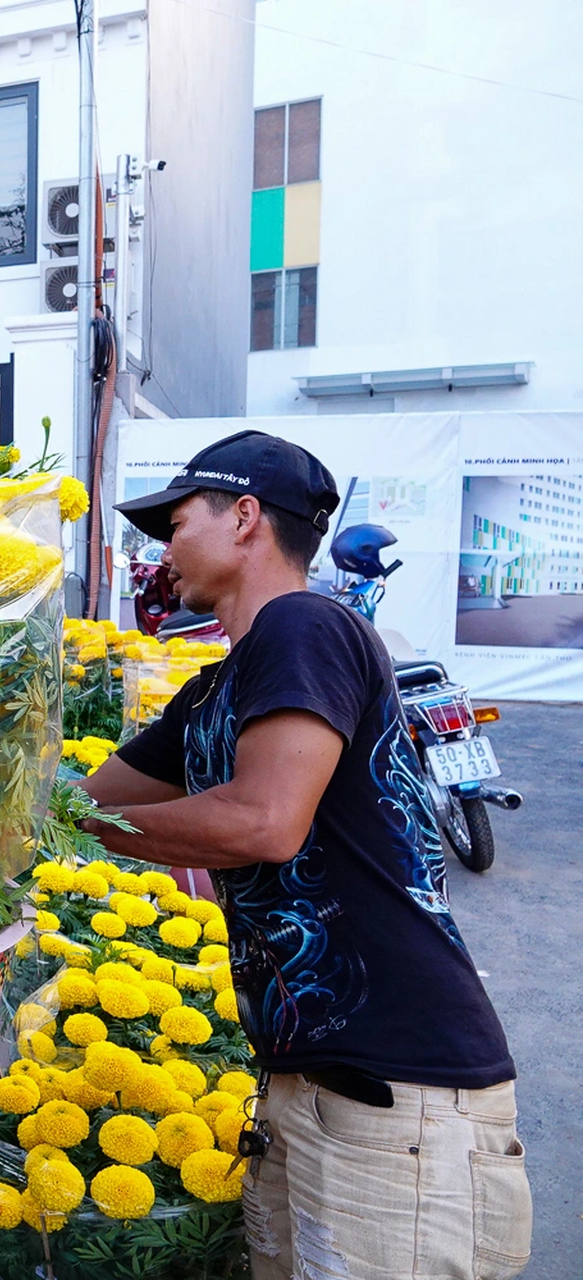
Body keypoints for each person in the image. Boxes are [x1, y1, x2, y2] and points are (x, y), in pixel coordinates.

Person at [83, 430, 532, 1280]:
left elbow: (264, 822)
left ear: (245, 517)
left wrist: (90, 831)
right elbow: (90, 796)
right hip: (309, 1084)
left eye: (175, 523)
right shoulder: (219, 685)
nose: (161, 550)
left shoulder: (305, 626)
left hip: (399, 1093)